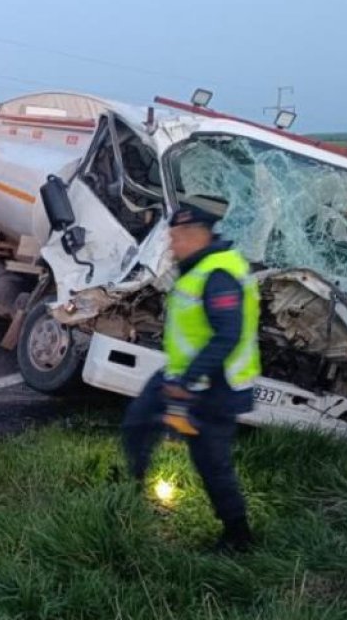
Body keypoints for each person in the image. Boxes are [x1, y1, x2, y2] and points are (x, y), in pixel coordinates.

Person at [122, 203, 260, 553]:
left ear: (193, 235)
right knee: (138, 422)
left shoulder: (218, 274)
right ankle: (127, 491)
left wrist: (186, 383)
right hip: (183, 373)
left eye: (174, 238)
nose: (171, 246)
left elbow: (226, 336)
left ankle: (238, 535)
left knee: (211, 462)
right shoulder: (199, 267)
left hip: (216, 385)